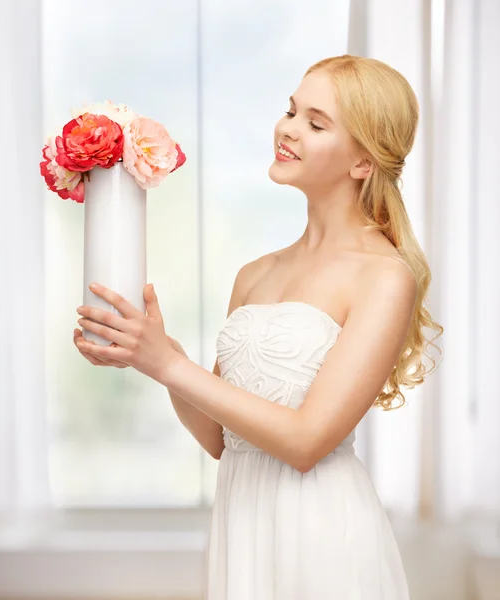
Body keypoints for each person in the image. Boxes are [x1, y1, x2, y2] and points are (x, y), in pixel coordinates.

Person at [74, 53, 443, 599]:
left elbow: (306, 442)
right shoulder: (255, 274)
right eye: (291, 111)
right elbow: (221, 439)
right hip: (243, 524)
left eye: (315, 123)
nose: (287, 129)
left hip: (322, 535)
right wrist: (154, 355)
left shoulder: (384, 277)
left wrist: (170, 362)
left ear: (363, 162)